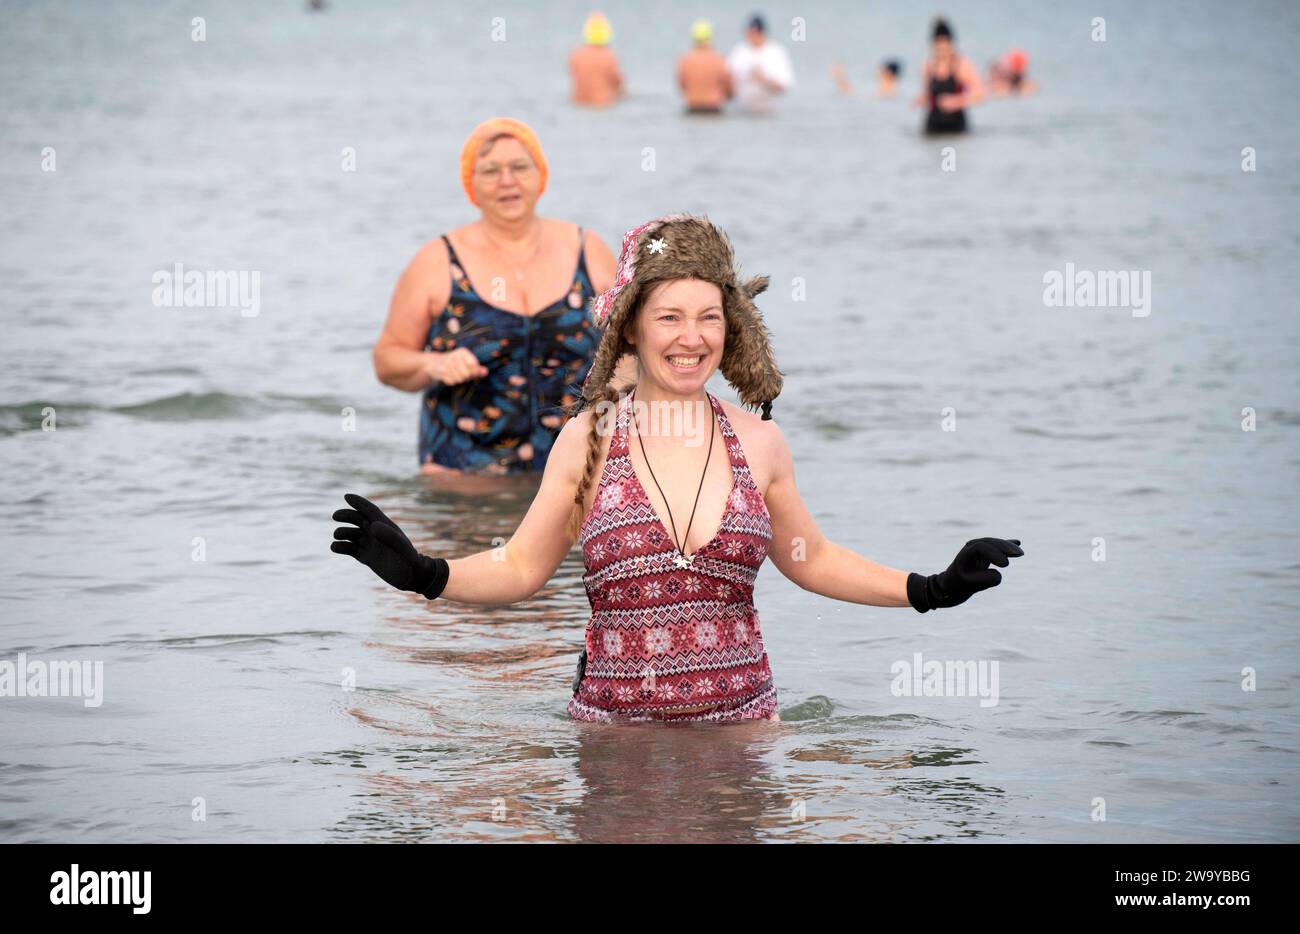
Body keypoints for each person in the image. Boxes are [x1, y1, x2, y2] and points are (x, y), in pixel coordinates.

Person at [333, 214, 1025, 724]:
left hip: (743, 741)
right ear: (632, 326)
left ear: (731, 327)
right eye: (669, 317)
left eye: (708, 317)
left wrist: (929, 588)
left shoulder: (759, 443)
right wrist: (426, 575)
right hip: (613, 744)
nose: (691, 337)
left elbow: (810, 560)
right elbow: (521, 567)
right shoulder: (588, 439)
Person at [372, 117, 630, 475]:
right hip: (464, 480)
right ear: (471, 184)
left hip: (575, 474)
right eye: (490, 170)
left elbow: (634, 345)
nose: (507, 181)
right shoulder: (437, 261)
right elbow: (387, 360)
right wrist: (432, 364)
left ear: (540, 175)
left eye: (519, 167)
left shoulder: (588, 251)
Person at [913, 18, 984, 134]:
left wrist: (956, 102)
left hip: (956, 126)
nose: (942, 48)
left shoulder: (962, 64)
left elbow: (980, 94)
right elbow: (927, 94)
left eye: (945, 43)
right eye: (938, 44)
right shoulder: (928, 65)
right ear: (933, 44)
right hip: (932, 125)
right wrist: (922, 99)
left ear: (951, 43)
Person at [725, 14, 794, 115]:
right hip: (742, 110)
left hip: (768, 110)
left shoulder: (776, 52)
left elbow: (785, 86)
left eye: (756, 33)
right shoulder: (739, 51)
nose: (752, 36)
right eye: (750, 33)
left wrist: (763, 79)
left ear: (763, 33)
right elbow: (727, 79)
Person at [676, 19, 733, 114]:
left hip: (692, 108)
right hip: (713, 108)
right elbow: (729, 90)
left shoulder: (685, 60)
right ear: (710, 38)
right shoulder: (719, 60)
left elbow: (682, 86)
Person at [569, 11, 624, 107]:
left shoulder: (576, 55)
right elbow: (618, 84)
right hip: (603, 103)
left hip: (579, 103)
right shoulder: (609, 57)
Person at [831, 58, 902, 98]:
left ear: (888, 73)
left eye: (881, 70)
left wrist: (840, 78)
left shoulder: (886, 91)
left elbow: (852, 94)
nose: (878, 72)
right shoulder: (892, 90)